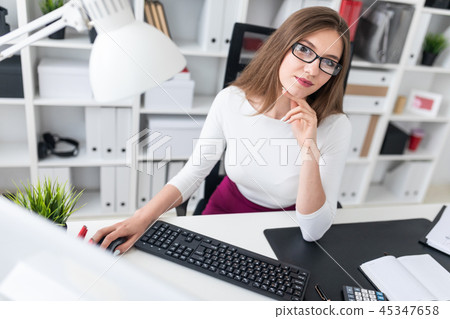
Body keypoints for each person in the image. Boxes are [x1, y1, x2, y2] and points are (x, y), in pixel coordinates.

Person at [92, 6, 352, 253]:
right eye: (305, 50)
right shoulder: (232, 100)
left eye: (328, 62)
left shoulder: (334, 126)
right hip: (225, 210)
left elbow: (312, 231)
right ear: (281, 47)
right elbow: (194, 172)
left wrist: (308, 146)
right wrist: (142, 218)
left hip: (283, 227)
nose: (312, 69)